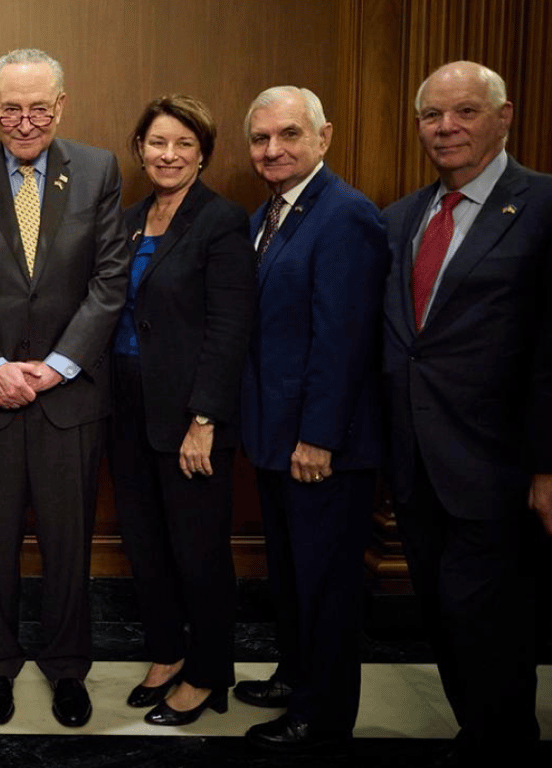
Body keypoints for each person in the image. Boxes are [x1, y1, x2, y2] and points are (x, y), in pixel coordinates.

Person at [0, 48, 128, 728]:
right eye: (12, 108)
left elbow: (110, 280)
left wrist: (59, 364)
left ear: (62, 104)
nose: (25, 121)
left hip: (67, 398)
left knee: (68, 540)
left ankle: (67, 667)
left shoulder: (100, 169)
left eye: (39, 107)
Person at [381, 60, 552, 764]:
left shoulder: (543, 205)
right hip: (416, 463)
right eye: (431, 115)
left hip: (498, 463)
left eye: (465, 112)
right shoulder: (400, 217)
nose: (445, 128)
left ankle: (506, 741)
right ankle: (480, 732)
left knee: (489, 621)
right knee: (447, 620)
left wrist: (549, 465)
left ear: (504, 116)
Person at [236, 86, 388, 753]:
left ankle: (320, 716)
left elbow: (344, 340)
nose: (273, 149)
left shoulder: (346, 215)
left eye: (289, 135)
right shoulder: (267, 214)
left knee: (326, 586)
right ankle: (297, 675)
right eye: (262, 138)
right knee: (293, 575)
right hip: (276, 437)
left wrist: (318, 437)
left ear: (323, 137)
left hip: (320, 445)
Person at [110, 95, 255, 726]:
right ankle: (168, 652)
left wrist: (205, 419)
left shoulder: (221, 221)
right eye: (157, 143)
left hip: (190, 413)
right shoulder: (128, 218)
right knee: (145, 541)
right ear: (140, 147)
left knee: (197, 549)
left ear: (203, 154)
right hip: (125, 405)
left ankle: (209, 672)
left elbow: (230, 327)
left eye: (183, 146)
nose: (168, 156)